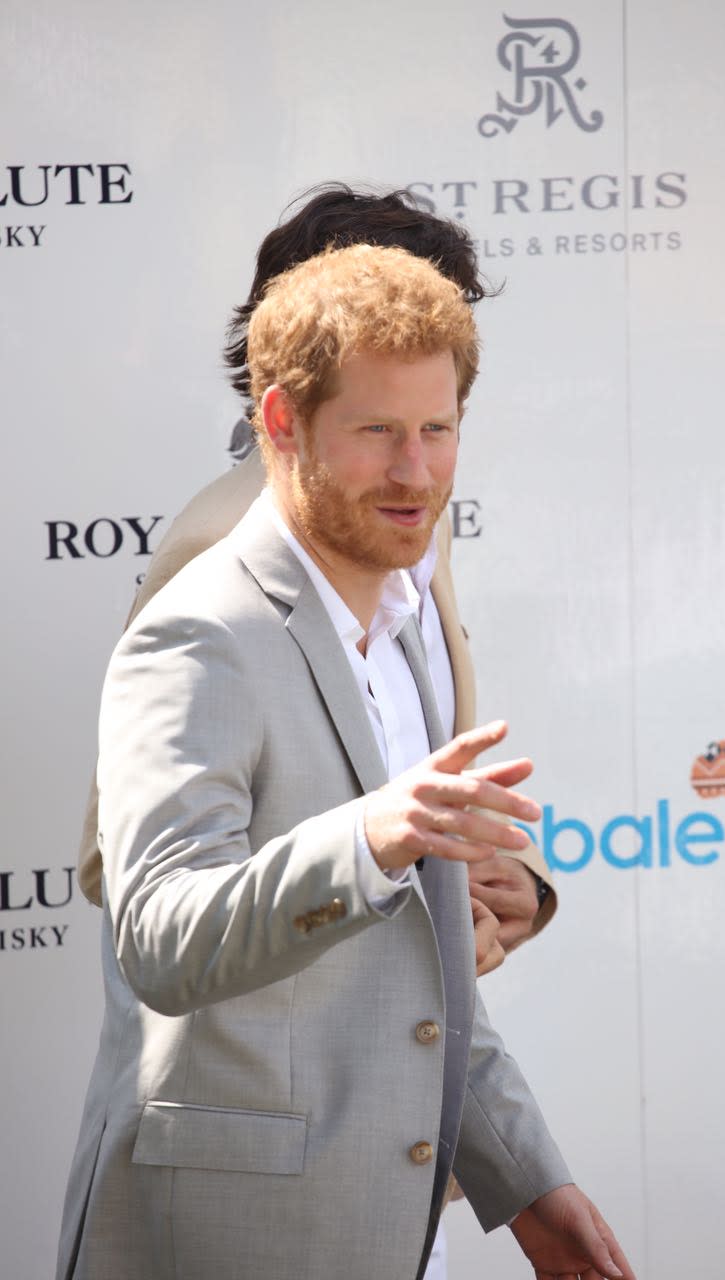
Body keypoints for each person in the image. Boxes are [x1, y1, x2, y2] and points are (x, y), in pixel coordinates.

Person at [58, 245, 634, 1280]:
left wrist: (529, 1185)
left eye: (438, 429)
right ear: (282, 423)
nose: (416, 471)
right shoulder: (200, 634)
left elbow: (426, 974)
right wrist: (372, 834)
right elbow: (158, 936)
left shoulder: (410, 626)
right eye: (377, 432)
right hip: (225, 1240)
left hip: (395, 1227)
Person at [76, 186, 558, 951]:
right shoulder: (216, 552)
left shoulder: (408, 511)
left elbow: (407, 765)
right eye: (392, 317)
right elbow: (126, 873)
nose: (431, 335)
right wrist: (376, 876)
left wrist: (508, 877)